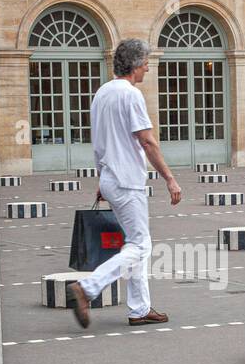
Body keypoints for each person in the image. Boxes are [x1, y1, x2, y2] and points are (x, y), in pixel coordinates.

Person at [67, 39, 182, 328]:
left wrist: (101, 178)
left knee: (136, 241)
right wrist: (170, 178)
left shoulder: (102, 93)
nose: (147, 68)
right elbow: (147, 141)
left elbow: (98, 144)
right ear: (134, 65)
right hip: (127, 179)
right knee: (140, 245)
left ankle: (140, 308)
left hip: (110, 177)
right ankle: (89, 287)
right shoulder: (130, 95)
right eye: (145, 63)